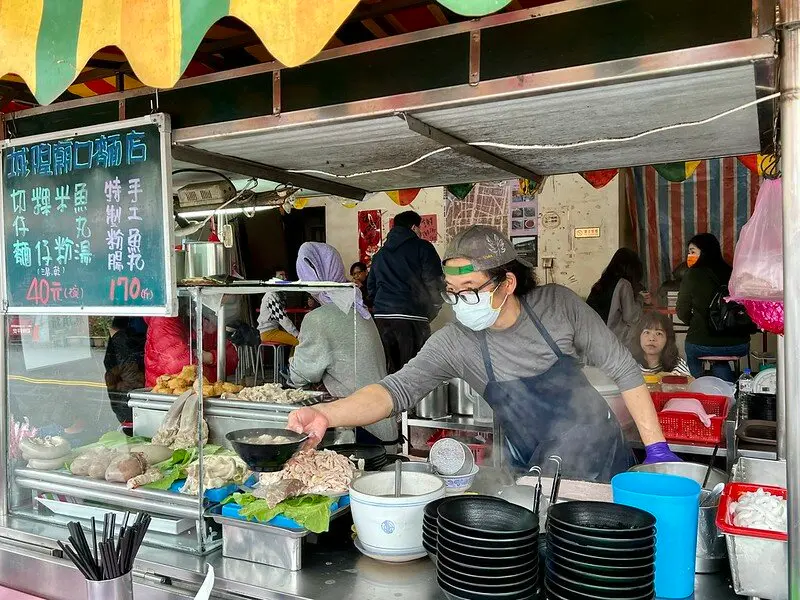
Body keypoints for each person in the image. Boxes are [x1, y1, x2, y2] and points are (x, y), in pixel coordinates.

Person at [289, 226, 679, 482]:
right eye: (453, 292)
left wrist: (658, 452)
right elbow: (393, 392)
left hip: (598, 448)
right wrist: (325, 414)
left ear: (506, 282)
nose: (460, 302)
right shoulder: (455, 341)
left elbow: (624, 370)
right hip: (533, 460)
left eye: (471, 289)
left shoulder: (559, 306)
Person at [290, 243, 397, 444]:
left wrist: (291, 364)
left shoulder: (320, 318)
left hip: (361, 431)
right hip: (383, 422)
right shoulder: (356, 307)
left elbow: (302, 375)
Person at [367, 211, 445, 373]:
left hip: (382, 318)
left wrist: (382, 307)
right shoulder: (423, 247)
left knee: (388, 370)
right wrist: (431, 311)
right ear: (414, 227)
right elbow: (434, 283)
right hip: (412, 317)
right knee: (414, 372)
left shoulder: (380, 254)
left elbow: (371, 288)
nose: (421, 232)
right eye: (420, 228)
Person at [677, 233, 750, 381]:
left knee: (692, 351)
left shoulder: (692, 275)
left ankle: (698, 385)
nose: (689, 256)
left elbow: (682, 311)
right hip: (738, 344)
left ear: (704, 252)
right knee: (719, 361)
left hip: (701, 343)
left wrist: (697, 323)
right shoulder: (733, 272)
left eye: (692, 252)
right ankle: (729, 393)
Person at [144, 309, 238, 387]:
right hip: (165, 399)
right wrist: (216, 366)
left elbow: (233, 359)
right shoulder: (163, 321)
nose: (213, 324)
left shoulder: (206, 320)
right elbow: (185, 372)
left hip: (198, 397)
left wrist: (210, 357)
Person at [587, 248, 650, 344]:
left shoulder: (602, 282)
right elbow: (631, 317)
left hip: (592, 336)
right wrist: (641, 299)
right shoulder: (624, 284)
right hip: (611, 340)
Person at [104, 317, 145, 429]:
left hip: (131, 340)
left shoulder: (126, 412)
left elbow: (130, 375)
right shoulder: (124, 412)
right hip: (130, 340)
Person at [630, 312, 691, 376]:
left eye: (658, 333)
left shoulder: (677, 366)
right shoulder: (628, 363)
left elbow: (689, 383)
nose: (652, 338)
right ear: (639, 336)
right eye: (647, 332)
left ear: (668, 339)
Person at [257, 270, 300, 347]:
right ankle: (293, 359)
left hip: (273, 330)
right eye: (281, 275)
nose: (285, 278)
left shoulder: (278, 294)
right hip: (268, 332)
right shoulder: (270, 296)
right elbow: (281, 317)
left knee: (298, 341)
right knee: (299, 342)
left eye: (285, 275)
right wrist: (296, 333)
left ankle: (292, 358)